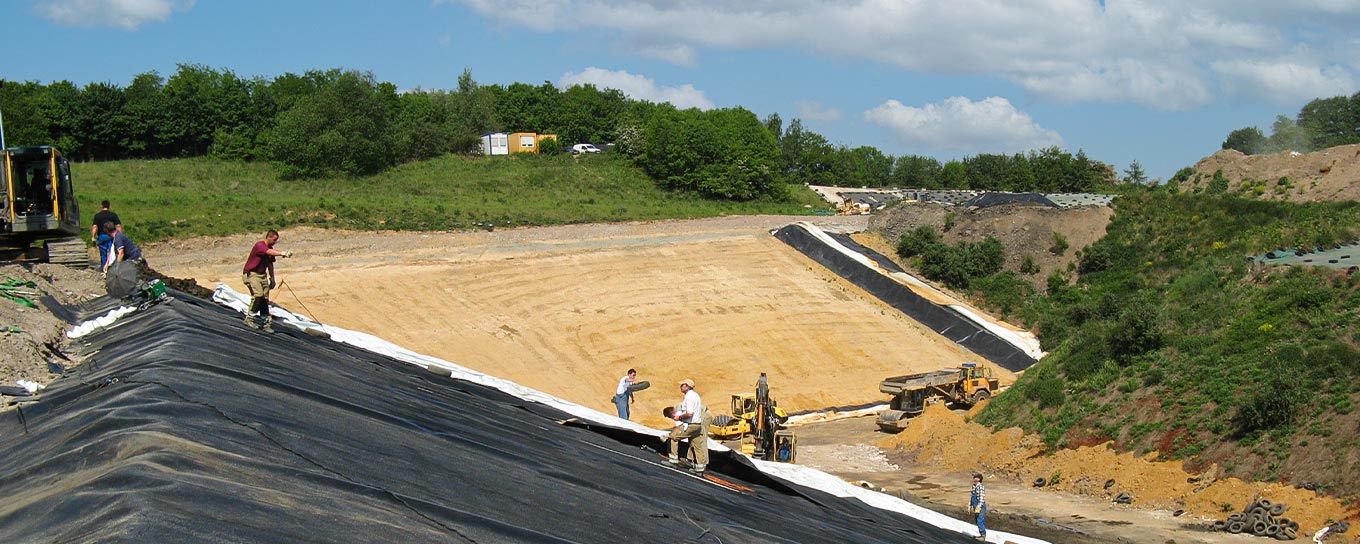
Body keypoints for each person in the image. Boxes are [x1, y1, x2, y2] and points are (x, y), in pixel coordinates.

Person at [241, 229, 292, 333]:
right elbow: (268, 252)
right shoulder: (260, 246)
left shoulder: (270, 249)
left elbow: (270, 264)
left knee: (264, 299)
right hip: (252, 274)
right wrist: (283, 253)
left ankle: (265, 322)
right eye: (274, 240)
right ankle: (249, 319)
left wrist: (272, 278)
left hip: (262, 275)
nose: (275, 242)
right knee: (258, 295)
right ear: (269, 237)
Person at [668, 378, 708, 474]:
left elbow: (689, 414)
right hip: (697, 425)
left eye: (682, 385)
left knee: (673, 437)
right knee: (697, 445)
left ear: (687, 386)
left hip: (691, 425)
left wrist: (680, 417)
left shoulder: (689, 397)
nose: (680, 386)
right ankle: (700, 468)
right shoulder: (696, 396)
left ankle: (673, 461)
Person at [970, 472, 988, 540]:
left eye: (975, 478)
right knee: (977, 520)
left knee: (980, 520)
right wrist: (970, 504)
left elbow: (981, 497)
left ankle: (983, 536)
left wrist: (979, 506)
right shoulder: (974, 486)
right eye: (974, 477)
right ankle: (981, 535)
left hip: (980, 506)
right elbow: (972, 496)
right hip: (975, 505)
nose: (974, 479)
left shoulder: (980, 486)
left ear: (979, 479)